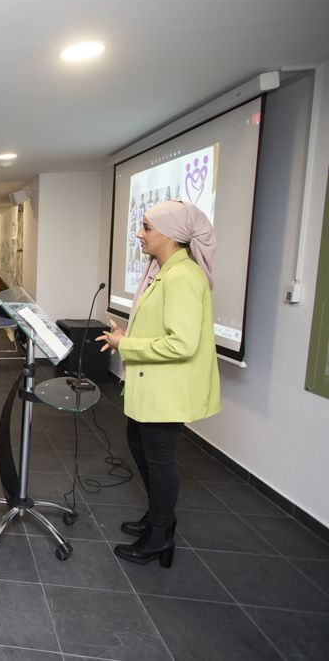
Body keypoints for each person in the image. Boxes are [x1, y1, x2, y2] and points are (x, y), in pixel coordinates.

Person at [96, 200, 220, 569]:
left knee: (160, 461)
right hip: (153, 385)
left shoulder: (183, 277)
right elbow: (160, 328)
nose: (140, 234)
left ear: (169, 234)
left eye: (147, 227)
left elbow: (182, 343)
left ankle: (161, 533)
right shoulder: (165, 272)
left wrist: (126, 344)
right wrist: (127, 333)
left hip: (168, 390)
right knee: (139, 445)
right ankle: (157, 517)